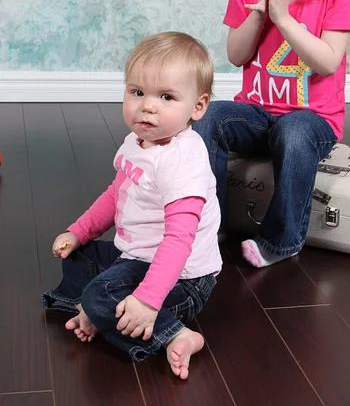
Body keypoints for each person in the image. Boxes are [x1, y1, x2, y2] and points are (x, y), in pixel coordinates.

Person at [193, 0, 350, 268]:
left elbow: (328, 61)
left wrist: (284, 20)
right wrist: (260, 13)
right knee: (210, 115)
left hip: (312, 119)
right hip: (257, 113)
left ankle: (282, 241)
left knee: (294, 131)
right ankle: (205, 226)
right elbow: (236, 54)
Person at [42, 31, 222, 380]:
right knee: (78, 258)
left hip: (182, 278)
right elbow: (116, 195)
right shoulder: (137, 142)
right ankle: (95, 310)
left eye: (166, 97)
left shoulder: (183, 161)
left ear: (197, 107)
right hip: (138, 256)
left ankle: (175, 333)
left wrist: (149, 300)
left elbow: (179, 241)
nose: (148, 106)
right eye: (137, 92)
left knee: (100, 295)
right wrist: (79, 232)